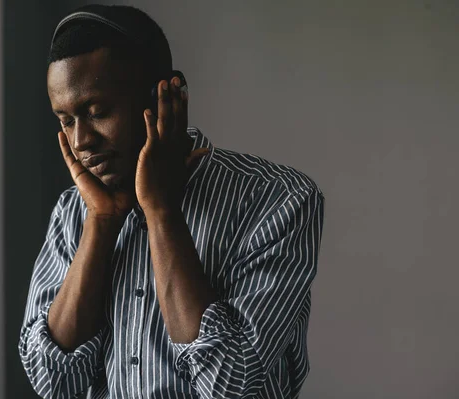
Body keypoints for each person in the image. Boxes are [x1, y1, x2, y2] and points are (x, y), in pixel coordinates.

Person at [18, 4, 325, 399]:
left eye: (98, 112)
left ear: (166, 96)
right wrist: (100, 220)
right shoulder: (71, 212)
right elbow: (53, 383)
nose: (81, 142)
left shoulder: (277, 200)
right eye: (65, 120)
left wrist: (161, 211)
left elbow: (229, 384)